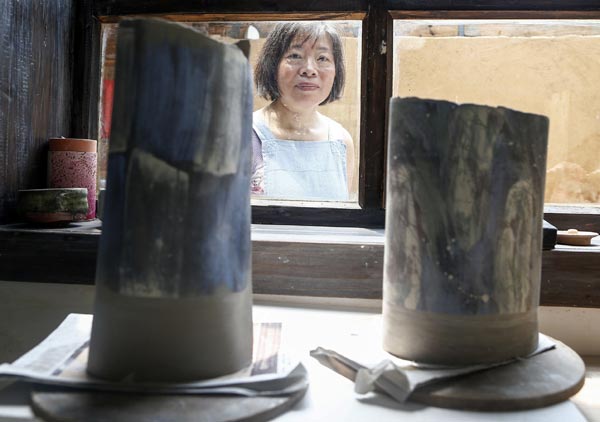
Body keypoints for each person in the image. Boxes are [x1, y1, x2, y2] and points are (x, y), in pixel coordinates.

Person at [251, 22, 354, 201]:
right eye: (295, 55)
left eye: (322, 58)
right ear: (272, 66)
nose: (309, 69)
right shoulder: (241, 134)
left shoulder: (341, 141)